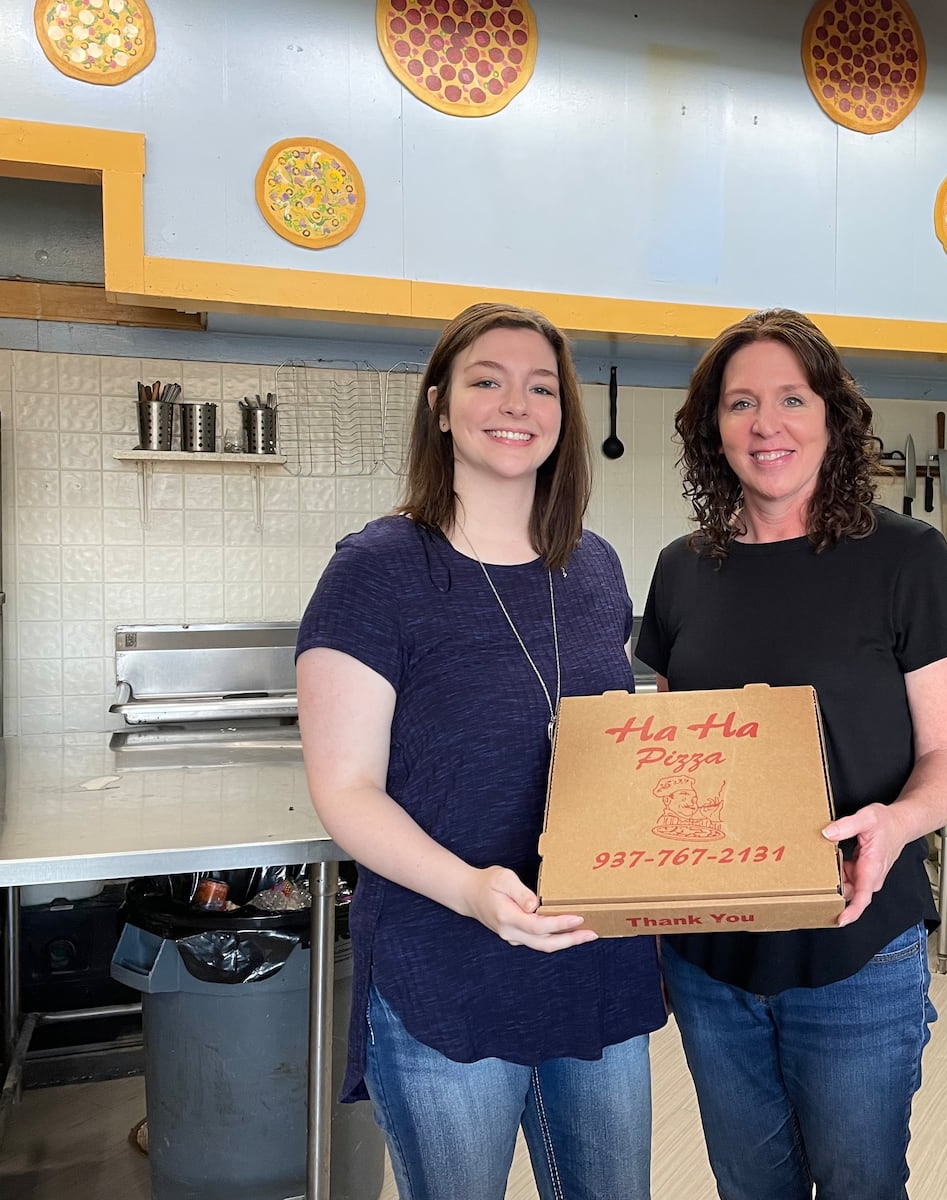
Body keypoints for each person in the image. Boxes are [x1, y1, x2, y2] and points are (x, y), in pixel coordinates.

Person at [296, 302, 665, 1200]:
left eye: (542, 386)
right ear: (440, 404)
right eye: (486, 380)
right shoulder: (377, 568)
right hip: (446, 968)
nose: (517, 403)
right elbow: (345, 790)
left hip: (595, 961)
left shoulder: (596, 567)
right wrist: (470, 889)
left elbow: (604, 745)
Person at [635, 307, 947, 1200]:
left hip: (854, 950)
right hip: (713, 961)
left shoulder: (905, 558)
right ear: (712, 429)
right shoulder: (682, 571)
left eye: (792, 398)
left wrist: (896, 821)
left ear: (832, 414)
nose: (767, 424)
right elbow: (670, 758)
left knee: (860, 1186)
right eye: (740, 402)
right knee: (750, 1189)